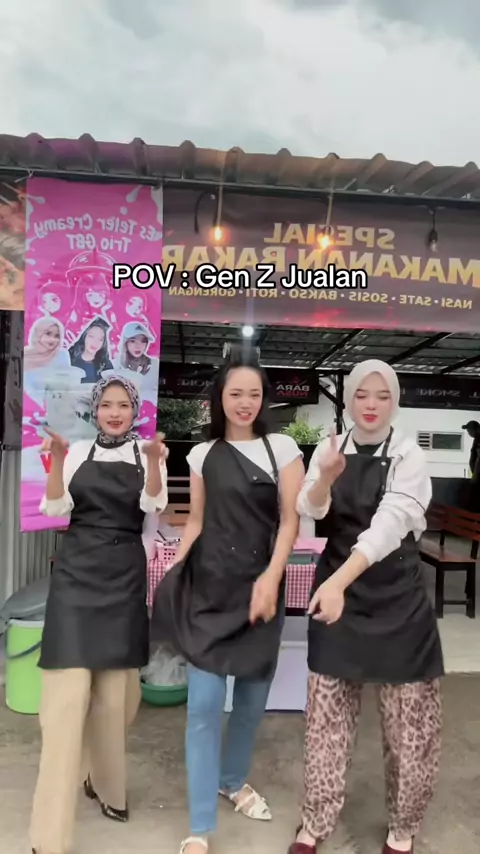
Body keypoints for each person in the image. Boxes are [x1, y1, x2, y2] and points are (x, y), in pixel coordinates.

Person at [152, 345, 305, 854]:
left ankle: (233, 780)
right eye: (235, 393)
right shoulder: (202, 454)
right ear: (220, 397)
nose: (245, 403)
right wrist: (175, 568)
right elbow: (197, 521)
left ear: (264, 399)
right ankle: (200, 826)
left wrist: (272, 577)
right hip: (210, 591)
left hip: (262, 589)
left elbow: (290, 521)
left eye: (253, 394)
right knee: (202, 706)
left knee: (250, 705)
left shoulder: (282, 449)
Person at [287, 359, 444, 854]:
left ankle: (403, 828)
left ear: (395, 401)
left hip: (397, 599)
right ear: (350, 399)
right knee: (325, 721)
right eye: (361, 394)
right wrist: (324, 478)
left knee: (410, 729)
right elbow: (309, 509)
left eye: (382, 395)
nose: (371, 405)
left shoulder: (409, 455)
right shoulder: (330, 449)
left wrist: (337, 582)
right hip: (338, 603)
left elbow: (389, 523)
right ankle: (315, 822)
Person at [30, 375, 169, 854]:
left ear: (134, 412)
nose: (114, 412)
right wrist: (57, 461)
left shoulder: (146, 455)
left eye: (123, 405)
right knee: (65, 705)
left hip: (123, 579)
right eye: (106, 404)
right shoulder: (76, 453)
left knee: (117, 699)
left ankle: (105, 785)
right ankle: (48, 836)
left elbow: (154, 504)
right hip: (76, 579)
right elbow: (55, 508)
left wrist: (156, 463)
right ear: (96, 409)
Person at [68, 317, 113, 384]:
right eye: (91, 336)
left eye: (100, 339)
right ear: (84, 336)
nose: (95, 342)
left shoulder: (105, 364)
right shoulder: (69, 358)